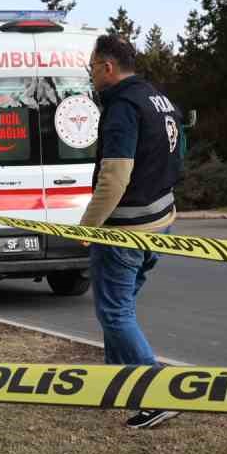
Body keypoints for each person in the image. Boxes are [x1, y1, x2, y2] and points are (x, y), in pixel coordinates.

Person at [80, 33, 184, 430]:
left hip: (125, 228)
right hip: (160, 220)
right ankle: (114, 385)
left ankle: (157, 394)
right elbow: (178, 154)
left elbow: (114, 177)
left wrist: (88, 227)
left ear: (108, 67)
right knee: (118, 309)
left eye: (92, 68)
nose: (91, 76)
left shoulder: (123, 106)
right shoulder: (159, 99)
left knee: (114, 311)